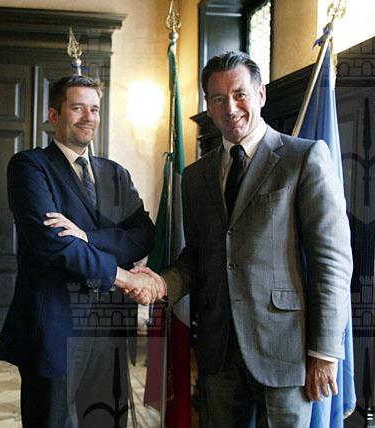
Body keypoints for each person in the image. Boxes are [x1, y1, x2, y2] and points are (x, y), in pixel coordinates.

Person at [131, 51, 353, 427]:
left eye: (239, 94)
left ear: (260, 94)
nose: (230, 108)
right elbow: (197, 256)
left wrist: (325, 351)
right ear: (209, 106)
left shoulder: (303, 158)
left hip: (286, 351)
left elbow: (331, 261)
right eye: (218, 98)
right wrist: (161, 283)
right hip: (218, 351)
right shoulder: (196, 177)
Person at [0, 75, 156, 428]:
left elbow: (144, 236)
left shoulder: (116, 173)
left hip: (109, 328)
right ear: (54, 115)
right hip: (54, 330)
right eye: (77, 107)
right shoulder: (29, 166)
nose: (88, 117)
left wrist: (86, 236)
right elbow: (53, 244)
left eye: (94, 109)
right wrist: (124, 277)